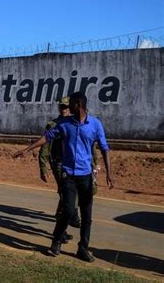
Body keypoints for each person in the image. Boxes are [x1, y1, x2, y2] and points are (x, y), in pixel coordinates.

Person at [14, 92, 113, 263]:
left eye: (71, 105)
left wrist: (110, 174)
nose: (66, 108)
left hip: (86, 176)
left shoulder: (95, 125)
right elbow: (47, 137)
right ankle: (56, 240)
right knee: (67, 211)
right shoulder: (64, 124)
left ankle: (83, 248)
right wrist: (27, 149)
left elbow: (104, 148)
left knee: (87, 215)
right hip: (68, 175)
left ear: (79, 105)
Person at [38, 96, 80, 244]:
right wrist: (43, 168)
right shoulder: (53, 124)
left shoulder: (76, 124)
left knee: (71, 196)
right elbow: (45, 147)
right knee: (65, 195)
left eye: (67, 107)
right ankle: (60, 231)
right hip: (59, 164)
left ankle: (62, 227)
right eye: (62, 107)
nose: (64, 110)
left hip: (74, 165)